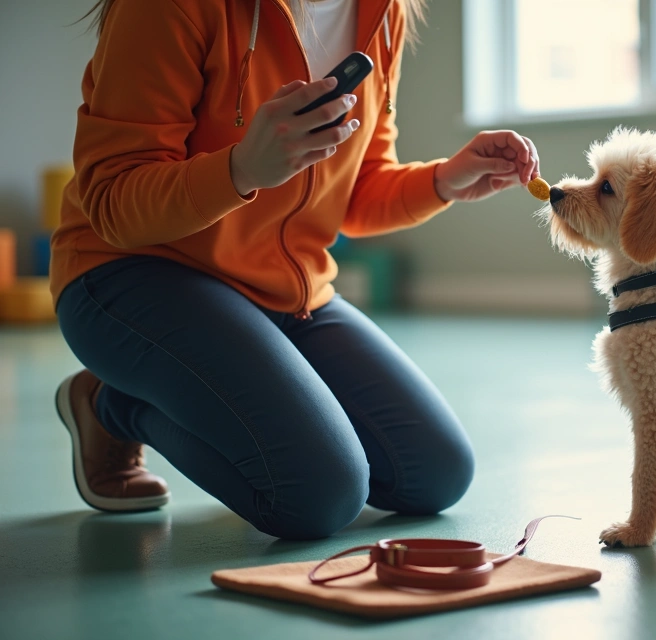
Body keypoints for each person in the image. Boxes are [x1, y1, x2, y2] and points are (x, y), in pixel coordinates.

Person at [51, 0, 539, 539]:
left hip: (285, 290)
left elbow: (353, 190)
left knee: (434, 474)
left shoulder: (384, 11)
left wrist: (444, 179)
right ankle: (110, 404)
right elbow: (112, 200)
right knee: (317, 495)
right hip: (132, 272)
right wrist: (240, 169)